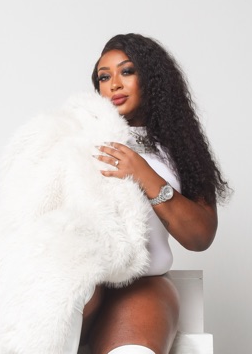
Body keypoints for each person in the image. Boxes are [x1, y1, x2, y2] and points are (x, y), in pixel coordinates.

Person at [79, 33, 230, 354]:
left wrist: (144, 175)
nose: (114, 85)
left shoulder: (182, 150)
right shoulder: (79, 140)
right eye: (104, 77)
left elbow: (199, 237)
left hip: (143, 284)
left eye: (127, 71)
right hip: (82, 279)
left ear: (153, 79)